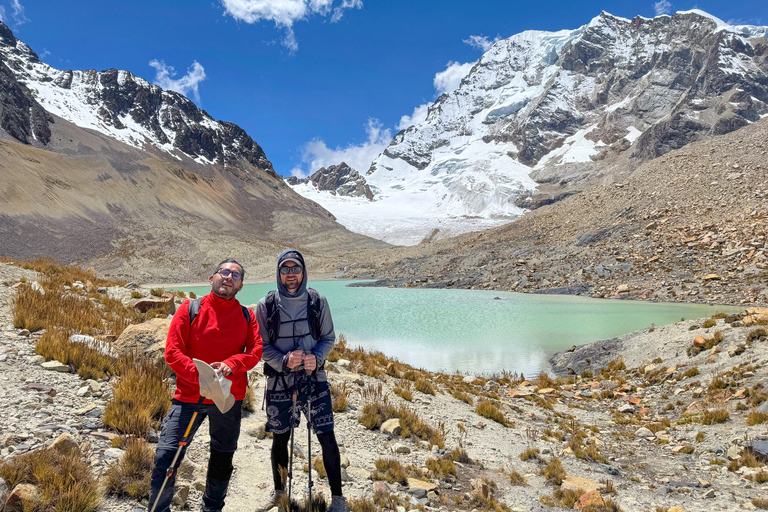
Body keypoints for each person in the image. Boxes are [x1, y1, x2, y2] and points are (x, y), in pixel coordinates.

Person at [148, 259, 263, 512]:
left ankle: (212, 508)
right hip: (189, 397)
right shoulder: (190, 308)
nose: (228, 277)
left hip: (227, 401)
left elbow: (255, 351)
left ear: (241, 285)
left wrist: (232, 363)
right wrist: (201, 377)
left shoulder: (247, 315)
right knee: (167, 456)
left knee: (222, 460)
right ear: (212, 279)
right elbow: (172, 352)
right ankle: (158, 508)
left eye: (235, 275)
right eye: (224, 272)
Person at [256, 249, 347, 512]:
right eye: (285, 270)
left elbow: (328, 338)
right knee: (280, 438)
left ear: (304, 271)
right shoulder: (267, 305)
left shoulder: (318, 301)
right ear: (278, 274)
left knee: (326, 436)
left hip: (314, 381)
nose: (291, 275)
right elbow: (260, 345)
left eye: (295, 269)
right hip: (279, 384)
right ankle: (279, 493)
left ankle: (338, 499)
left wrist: (316, 358)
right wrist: (284, 361)